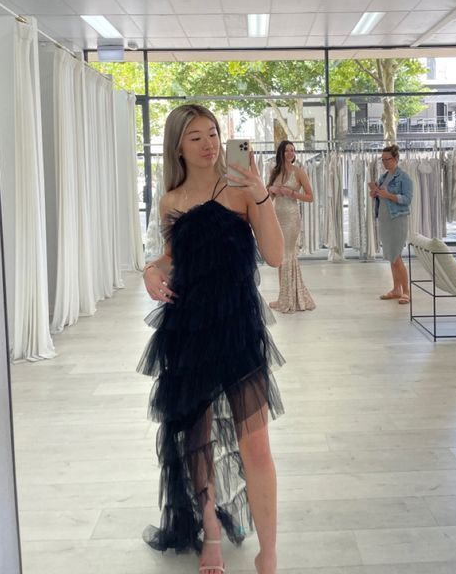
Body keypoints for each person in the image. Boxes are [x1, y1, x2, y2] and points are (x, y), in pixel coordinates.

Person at [140, 104, 284, 574]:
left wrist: (261, 194)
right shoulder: (171, 201)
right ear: (178, 147)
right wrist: (150, 270)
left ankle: (269, 552)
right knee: (196, 439)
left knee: (256, 445)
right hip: (188, 330)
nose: (208, 144)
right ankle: (212, 534)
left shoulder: (242, 188)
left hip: (239, 327)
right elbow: (173, 257)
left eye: (213, 133)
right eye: (196, 136)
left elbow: (276, 256)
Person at [266, 140, 315, 313]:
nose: (290, 153)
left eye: (292, 150)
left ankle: (287, 299)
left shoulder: (299, 172)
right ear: (281, 152)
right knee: (281, 256)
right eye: (287, 150)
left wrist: (291, 193)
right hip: (277, 216)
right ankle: (284, 296)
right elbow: (269, 198)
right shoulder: (274, 171)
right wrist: (271, 190)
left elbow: (310, 197)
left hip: (292, 218)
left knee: (287, 254)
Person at [369, 144, 413, 305]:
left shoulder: (404, 178)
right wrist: (375, 193)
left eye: (387, 159)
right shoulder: (383, 177)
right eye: (382, 160)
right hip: (385, 220)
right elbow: (380, 196)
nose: (384, 162)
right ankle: (396, 289)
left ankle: (406, 291)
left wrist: (388, 195)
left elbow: (407, 199)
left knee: (396, 256)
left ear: (395, 159)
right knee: (391, 257)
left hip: (397, 220)